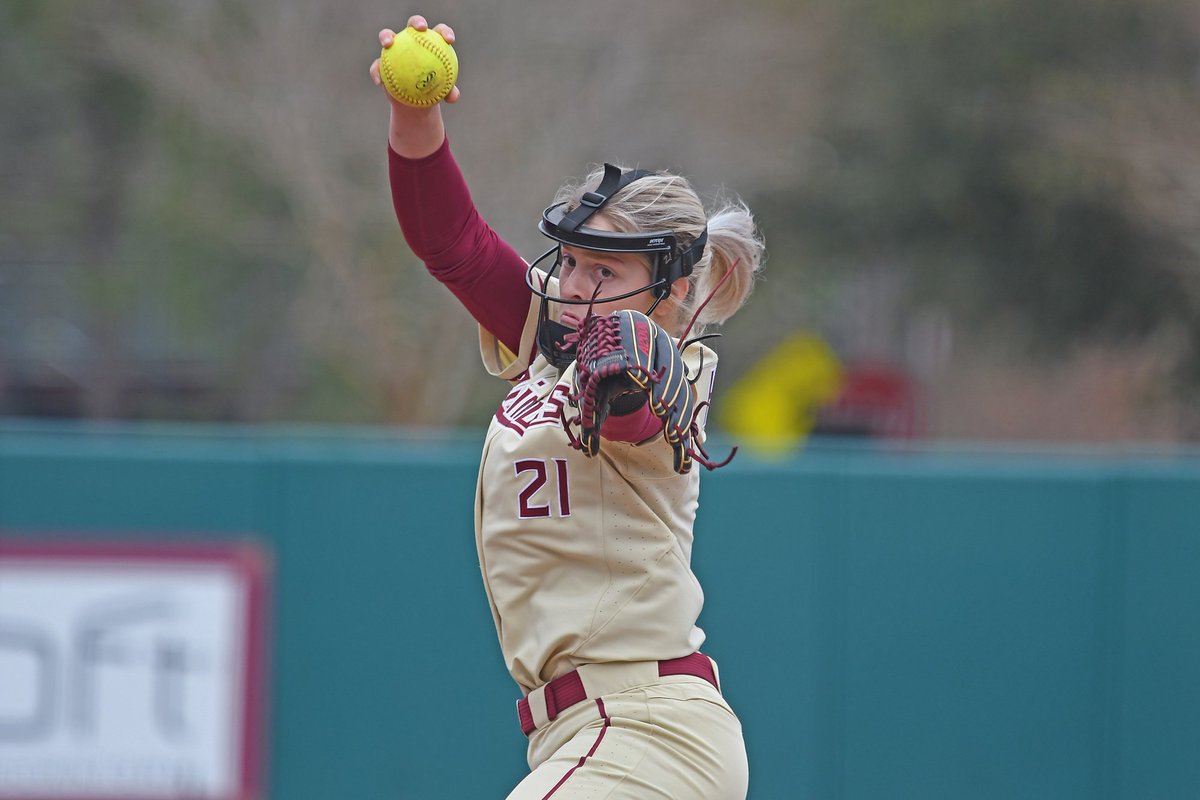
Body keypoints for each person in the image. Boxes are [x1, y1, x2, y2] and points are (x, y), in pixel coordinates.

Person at [371, 15, 765, 799]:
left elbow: (632, 412)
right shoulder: (552, 331)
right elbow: (451, 244)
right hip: (582, 731)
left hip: (646, 728)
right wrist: (415, 115)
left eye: (607, 271)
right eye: (576, 263)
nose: (579, 286)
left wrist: (629, 384)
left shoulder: (668, 364)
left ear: (675, 288)